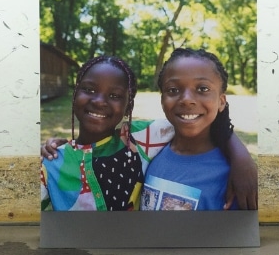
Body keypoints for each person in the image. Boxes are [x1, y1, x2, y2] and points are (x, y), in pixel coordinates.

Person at [40, 55, 258, 211]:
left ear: (128, 105)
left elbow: (201, 124)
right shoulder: (49, 163)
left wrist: (242, 159)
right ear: (74, 93)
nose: (99, 101)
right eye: (89, 90)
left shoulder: (141, 138)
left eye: (115, 96)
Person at [140, 48, 250, 211]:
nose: (187, 100)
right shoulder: (148, 147)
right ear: (162, 99)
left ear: (221, 102)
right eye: (173, 90)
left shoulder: (234, 178)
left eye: (203, 89)